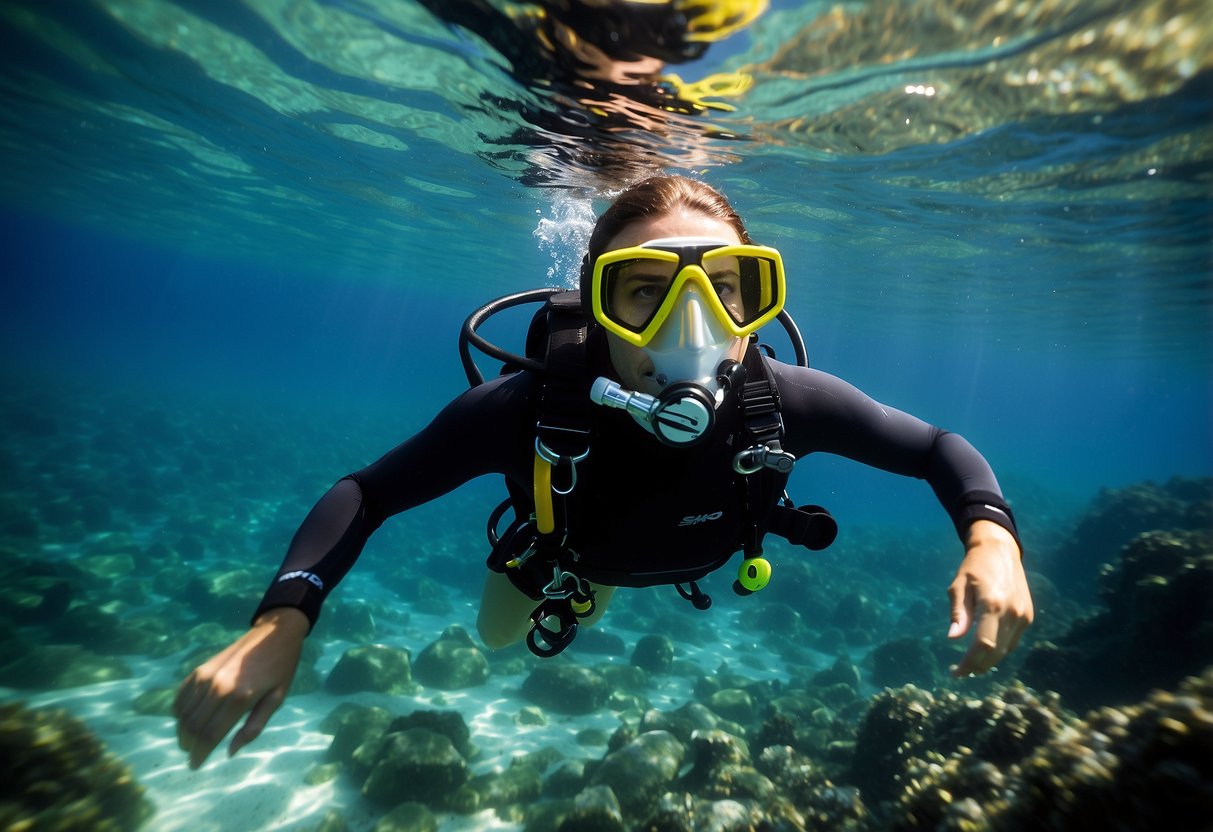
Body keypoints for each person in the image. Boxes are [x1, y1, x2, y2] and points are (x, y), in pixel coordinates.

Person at [175, 175, 1033, 770]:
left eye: (727, 287)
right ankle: (590, 586)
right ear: (594, 305)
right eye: (642, 291)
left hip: (676, 551)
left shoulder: (791, 403)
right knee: (497, 641)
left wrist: (990, 536)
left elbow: (934, 449)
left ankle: (602, 583)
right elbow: (368, 491)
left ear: (756, 304)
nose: (688, 323)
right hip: (564, 556)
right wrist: (282, 621)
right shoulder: (527, 409)